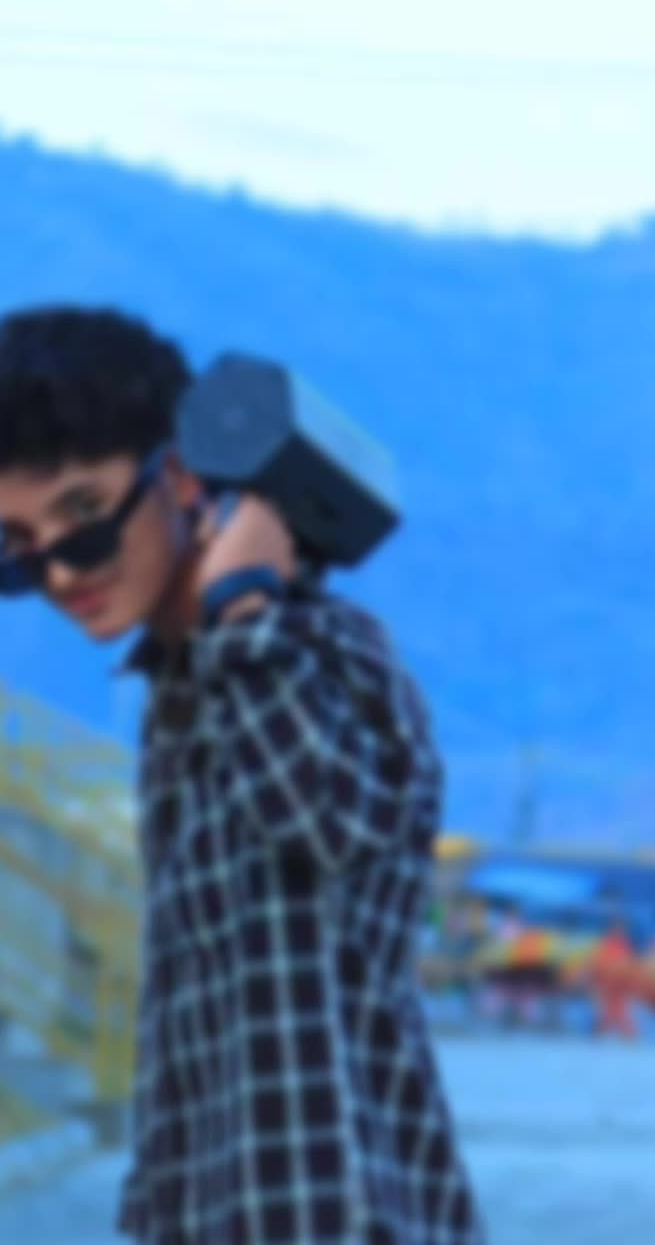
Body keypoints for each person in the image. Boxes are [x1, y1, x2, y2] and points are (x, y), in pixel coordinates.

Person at [0, 306, 483, 1244]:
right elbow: (190, 1032)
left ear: (182, 477)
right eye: (20, 553)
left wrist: (243, 605)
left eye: (85, 520)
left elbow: (330, 826)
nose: (60, 574)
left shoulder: (323, 651)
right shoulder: (178, 696)